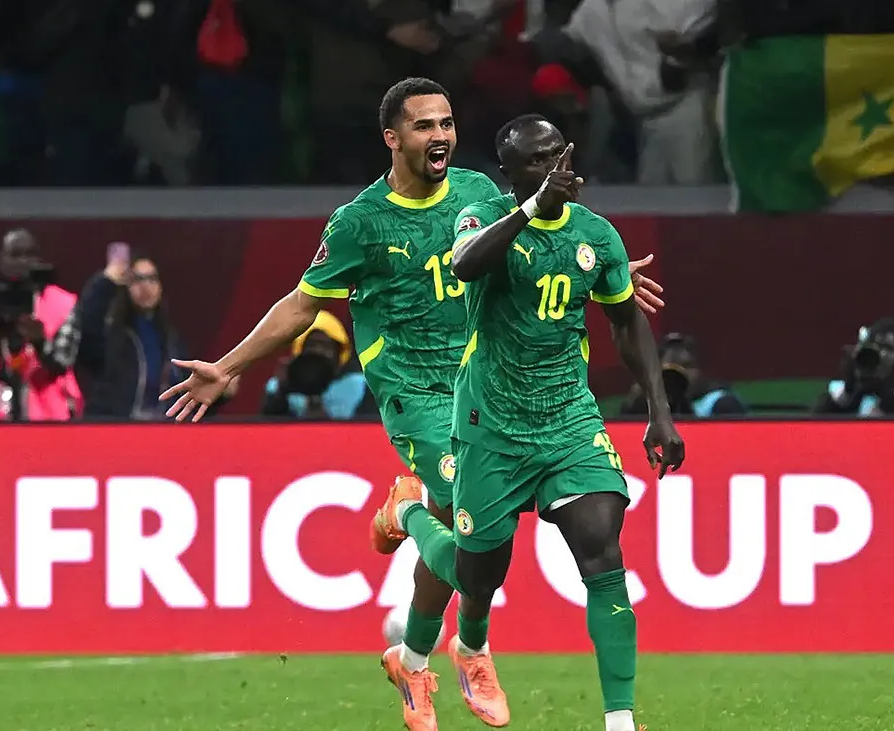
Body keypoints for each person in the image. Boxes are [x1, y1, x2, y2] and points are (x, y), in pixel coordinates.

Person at [158, 80, 665, 731]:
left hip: (483, 384)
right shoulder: (360, 222)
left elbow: (531, 250)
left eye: (447, 123)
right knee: (457, 519)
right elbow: (302, 305)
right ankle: (431, 563)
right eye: (424, 126)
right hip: (416, 393)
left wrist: (596, 274)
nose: (441, 136)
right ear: (392, 138)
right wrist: (228, 366)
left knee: (476, 544)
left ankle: (420, 656)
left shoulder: (477, 191)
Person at [370, 116, 684, 731]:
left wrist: (659, 413)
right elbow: (465, 265)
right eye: (537, 161)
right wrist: (533, 208)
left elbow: (626, 322)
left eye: (558, 154)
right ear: (509, 174)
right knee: (476, 575)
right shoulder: (481, 217)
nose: (554, 168)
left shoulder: (596, 234)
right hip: (491, 424)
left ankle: (620, 721)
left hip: (569, 421)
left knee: (603, 552)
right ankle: (409, 512)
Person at [79, 254, 236, 420]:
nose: (145, 286)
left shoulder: (171, 340)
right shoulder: (112, 335)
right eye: (138, 279)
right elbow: (85, 330)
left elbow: (185, 396)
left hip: (162, 429)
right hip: (118, 428)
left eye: (151, 279)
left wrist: (221, 393)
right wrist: (104, 282)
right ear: (126, 286)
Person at [0, 228, 82, 421]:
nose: (23, 261)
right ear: (1, 259)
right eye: (15, 254)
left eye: (29, 254)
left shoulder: (64, 304)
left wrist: (40, 342)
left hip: (48, 418)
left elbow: (62, 364)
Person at [261, 310, 378, 420]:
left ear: (339, 352)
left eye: (325, 346)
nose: (318, 351)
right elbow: (268, 425)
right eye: (311, 345)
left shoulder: (360, 387)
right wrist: (281, 393)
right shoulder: (277, 386)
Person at [619, 332, 747, 417]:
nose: (678, 372)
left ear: (700, 369)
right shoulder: (646, 404)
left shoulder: (720, 403)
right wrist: (637, 402)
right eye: (671, 366)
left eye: (687, 366)